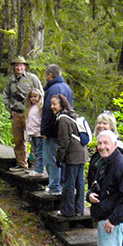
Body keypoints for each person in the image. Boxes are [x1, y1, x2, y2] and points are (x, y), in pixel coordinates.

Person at [87, 111, 123, 246]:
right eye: (99, 123)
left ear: (112, 126)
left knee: (113, 231)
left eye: (105, 123)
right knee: (105, 232)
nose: (101, 126)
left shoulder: (117, 150)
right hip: (100, 197)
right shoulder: (100, 147)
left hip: (112, 198)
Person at [3, 56, 44, 172]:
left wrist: (36, 110)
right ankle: (21, 164)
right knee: (19, 141)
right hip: (16, 115)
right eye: (17, 65)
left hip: (30, 116)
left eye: (21, 65)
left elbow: (41, 94)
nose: (19, 67)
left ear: (24, 66)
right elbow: (6, 95)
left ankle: (34, 164)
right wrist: (10, 110)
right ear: (14, 67)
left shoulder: (32, 78)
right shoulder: (11, 80)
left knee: (34, 141)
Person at [51, 94, 88, 216]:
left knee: (69, 183)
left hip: (72, 156)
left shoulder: (63, 119)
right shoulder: (72, 115)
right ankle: (79, 209)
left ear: (61, 105)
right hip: (82, 153)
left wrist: (59, 158)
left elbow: (64, 141)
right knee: (80, 183)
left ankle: (68, 210)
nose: (52, 107)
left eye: (54, 104)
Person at [41, 64, 73, 195]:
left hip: (54, 131)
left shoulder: (53, 89)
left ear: (50, 75)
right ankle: (61, 186)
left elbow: (49, 111)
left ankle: (54, 187)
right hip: (65, 130)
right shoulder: (68, 88)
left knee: (51, 159)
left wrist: (44, 131)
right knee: (62, 159)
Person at [24, 88, 45, 177]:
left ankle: (40, 170)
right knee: (35, 152)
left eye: (35, 97)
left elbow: (41, 121)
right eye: (31, 97)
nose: (33, 99)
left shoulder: (40, 108)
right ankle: (36, 168)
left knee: (40, 152)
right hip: (32, 133)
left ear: (39, 97)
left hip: (38, 133)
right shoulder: (30, 108)